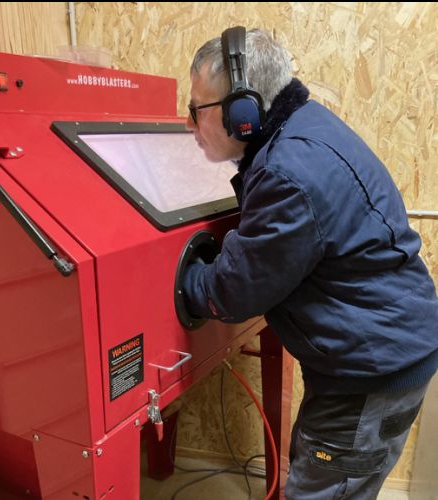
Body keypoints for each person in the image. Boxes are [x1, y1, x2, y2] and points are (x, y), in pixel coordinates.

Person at [183, 26, 438, 499]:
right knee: (324, 474)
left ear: (242, 113)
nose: (188, 123)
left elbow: (233, 293)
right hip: (380, 353)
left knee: (322, 487)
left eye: (196, 109)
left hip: (370, 376)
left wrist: (185, 279)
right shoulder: (305, 127)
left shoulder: (287, 171)